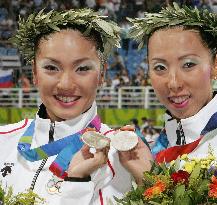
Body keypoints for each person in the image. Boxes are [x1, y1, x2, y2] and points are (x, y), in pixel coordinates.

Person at [0, 8, 152, 205]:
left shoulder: (123, 159)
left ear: (102, 75)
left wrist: (147, 182)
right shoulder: (3, 141)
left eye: (82, 69)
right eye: (51, 68)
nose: (65, 84)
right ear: (35, 73)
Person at [128, 3, 217, 175]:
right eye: (159, 67)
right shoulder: (140, 157)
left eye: (188, 64)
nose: (173, 83)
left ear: (216, 65)